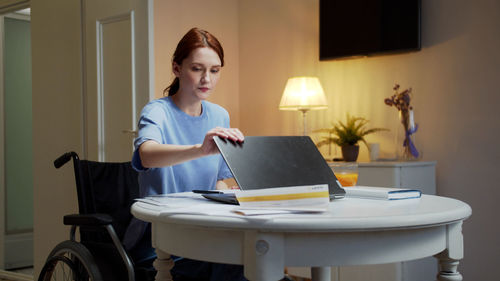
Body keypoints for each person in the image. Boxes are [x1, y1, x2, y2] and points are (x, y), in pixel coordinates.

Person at [123, 28, 246, 281]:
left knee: (248, 260)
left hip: (202, 228)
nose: (207, 80)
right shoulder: (158, 111)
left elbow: (218, 181)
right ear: (177, 69)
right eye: (197, 69)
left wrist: (230, 195)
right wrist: (199, 150)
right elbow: (146, 155)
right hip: (159, 234)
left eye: (215, 70)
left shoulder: (220, 115)